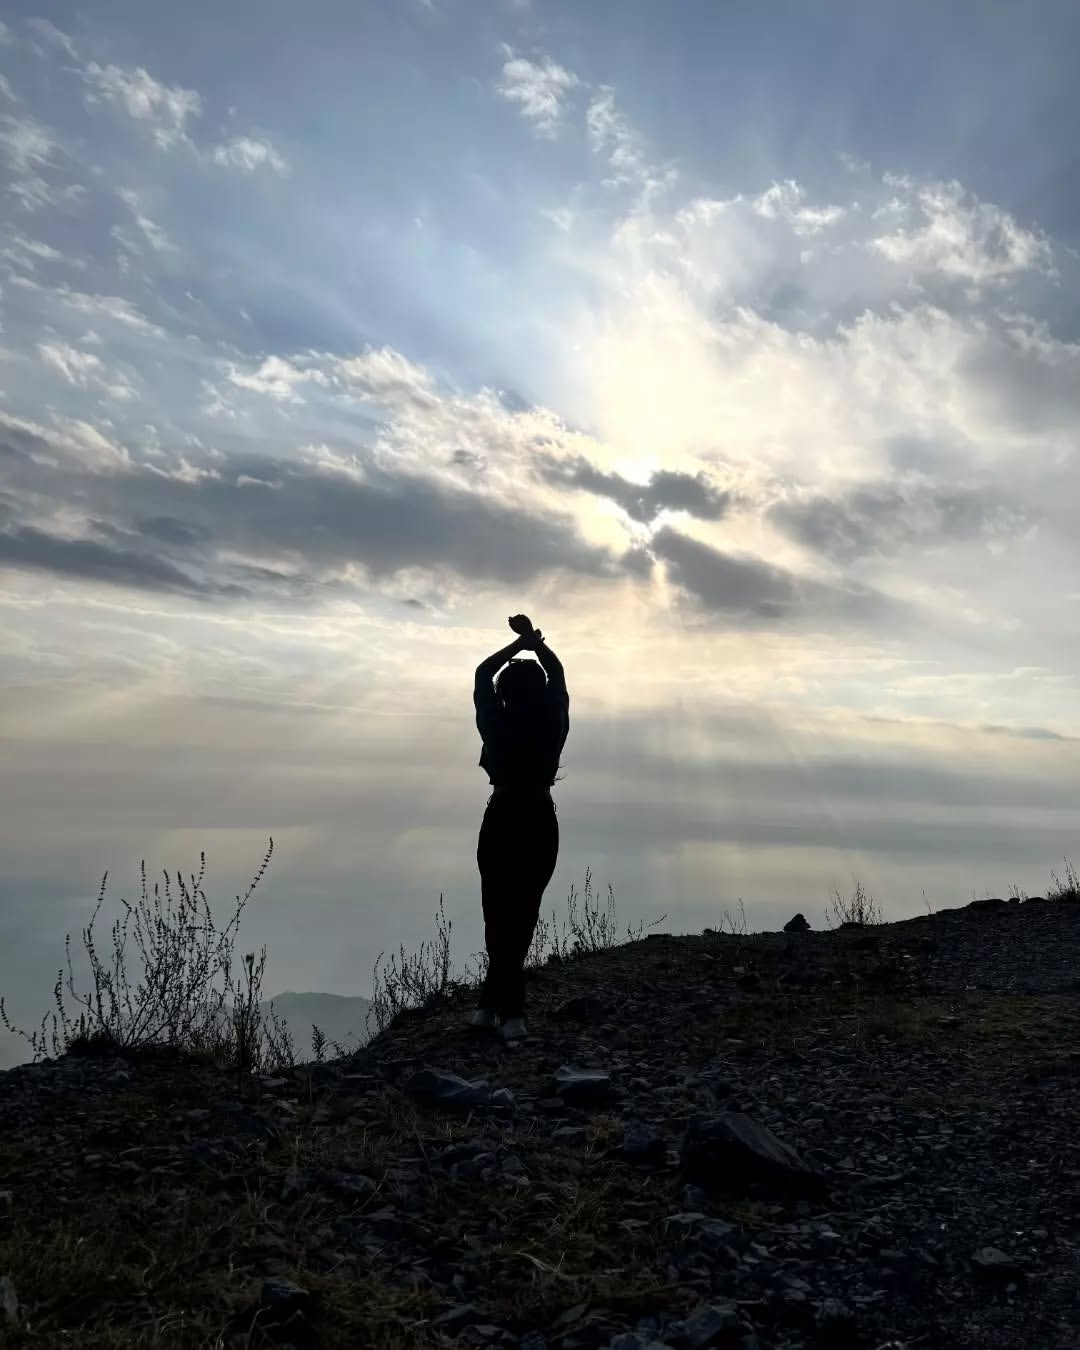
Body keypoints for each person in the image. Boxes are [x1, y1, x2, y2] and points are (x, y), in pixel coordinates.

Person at [471, 614, 569, 1041]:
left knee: (496, 914)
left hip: (501, 816)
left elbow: (482, 673)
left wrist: (518, 644)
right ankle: (505, 1013)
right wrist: (536, 643)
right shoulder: (553, 722)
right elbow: (558, 673)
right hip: (539, 819)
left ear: (504, 692)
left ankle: (494, 1010)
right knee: (523, 914)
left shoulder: (496, 723)